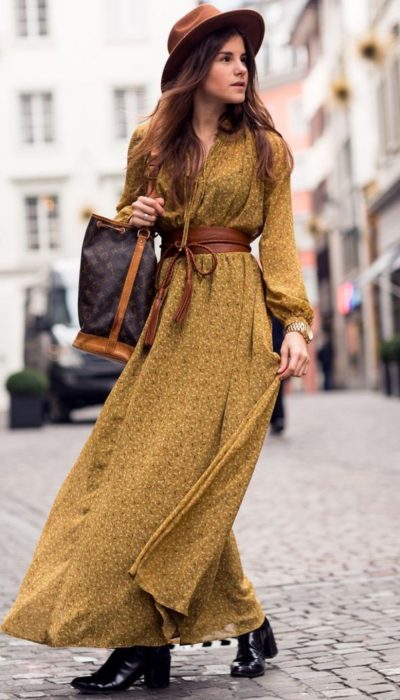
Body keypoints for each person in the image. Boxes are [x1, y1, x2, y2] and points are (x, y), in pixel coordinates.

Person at [1, 3, 314, 694]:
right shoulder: (151, 140)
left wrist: (295, 324)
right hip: (169, 318)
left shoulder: (266, 147)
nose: (241, 69)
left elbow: (281, 246)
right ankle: (202, 629)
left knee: (192, 479)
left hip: (234, 314)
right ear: (195, 68)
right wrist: (138, 214)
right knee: (136, 480)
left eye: (244, 58)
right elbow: (124, 230)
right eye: (227, 57)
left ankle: (148, 645)